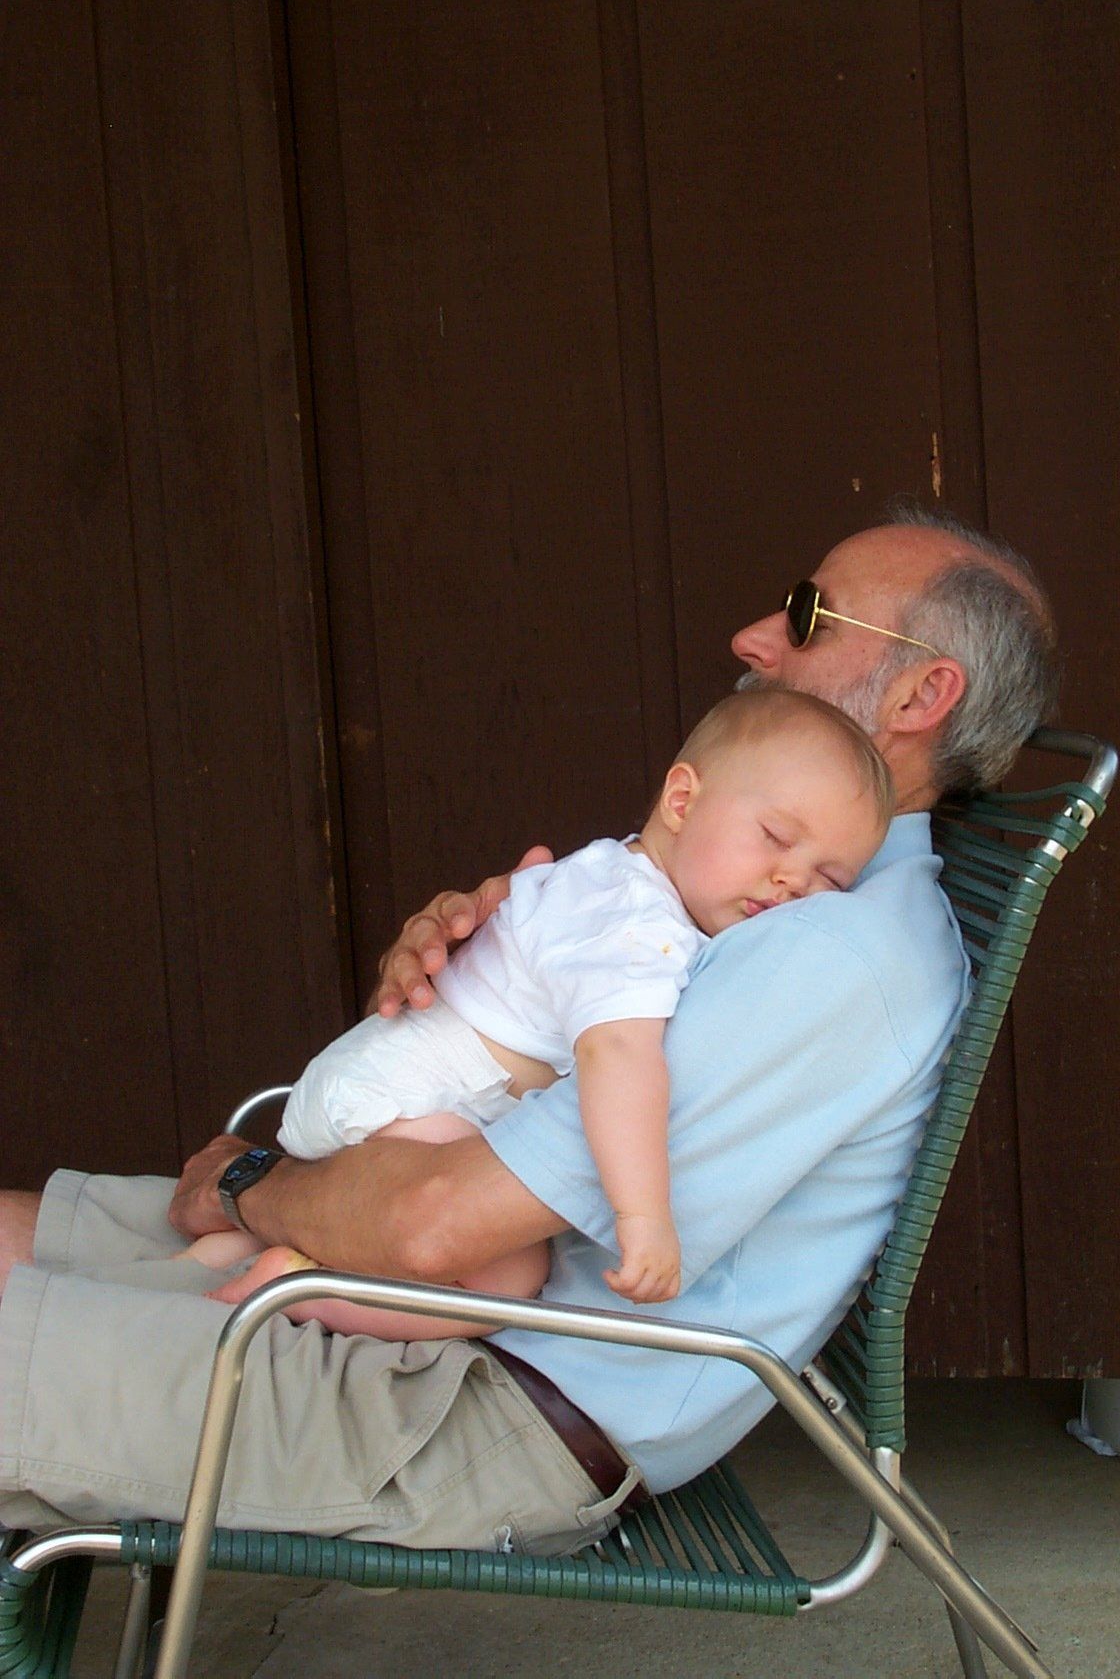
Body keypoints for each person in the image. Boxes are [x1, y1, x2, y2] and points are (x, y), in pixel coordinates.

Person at [0, 503, 1058, 1556]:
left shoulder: (828, 954)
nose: (752, 638)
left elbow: (433, 1228)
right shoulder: (758, 899)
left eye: (808, 613)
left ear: (922, 693)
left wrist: (245, 1184)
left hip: (462, 1398)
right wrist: (485, 971)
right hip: (416, 1299)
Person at [193, 690, 892, 1337]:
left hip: (384, 1083)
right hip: (411, 1107)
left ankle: (230, 1253)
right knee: (511, 1275)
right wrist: (644, 1218)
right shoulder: (637, 926)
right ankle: (294, 1285)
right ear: (681, 800)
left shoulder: (610, 876)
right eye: (775, 837)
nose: (793, 880)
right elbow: (617, 1059)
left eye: (829, 880)